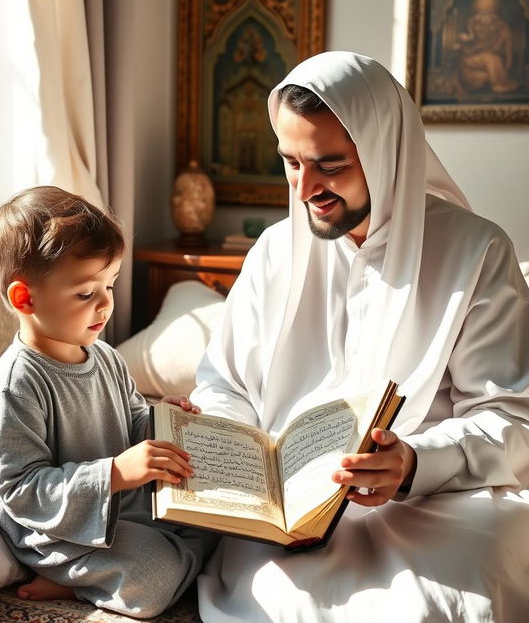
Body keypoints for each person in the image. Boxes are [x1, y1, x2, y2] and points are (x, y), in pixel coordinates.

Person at [190, 51, 529, 621]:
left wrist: (413, 463)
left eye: (330, 165)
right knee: (279, 598)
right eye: (291, 163)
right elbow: (224, 385)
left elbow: (513, 419)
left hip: (435, 499)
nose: (305, 191)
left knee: (452, 586)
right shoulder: (275, 249)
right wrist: (224, 443)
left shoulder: (477, 251)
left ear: (386, 154)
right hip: (292, 511)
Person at [0, 186, 217, 617]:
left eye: (111, 284)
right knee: (153, 575)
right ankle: (71, 580)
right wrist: (117, 473)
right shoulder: (18, 385)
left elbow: (132, 415)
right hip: (57, 531)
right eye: (86, 293)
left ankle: (137, 566)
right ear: (24, 299)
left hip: (120, 505)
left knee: (220, 525)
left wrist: (161, 420)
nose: (106, 303)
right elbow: (21, 491)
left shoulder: (104, 355)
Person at [457, 0, 519, 94]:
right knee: (490, 58)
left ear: (494, 15)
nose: (485, 18)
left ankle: (498, 83)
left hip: (489, 65)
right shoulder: (472, 24)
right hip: (470, 62)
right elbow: (464, 45)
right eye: (482, 13)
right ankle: (496, 85)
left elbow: (508, 49)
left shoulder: (502, 27)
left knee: (486, 71)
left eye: (489, 13)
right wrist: (467, 42)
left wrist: (508, 64)